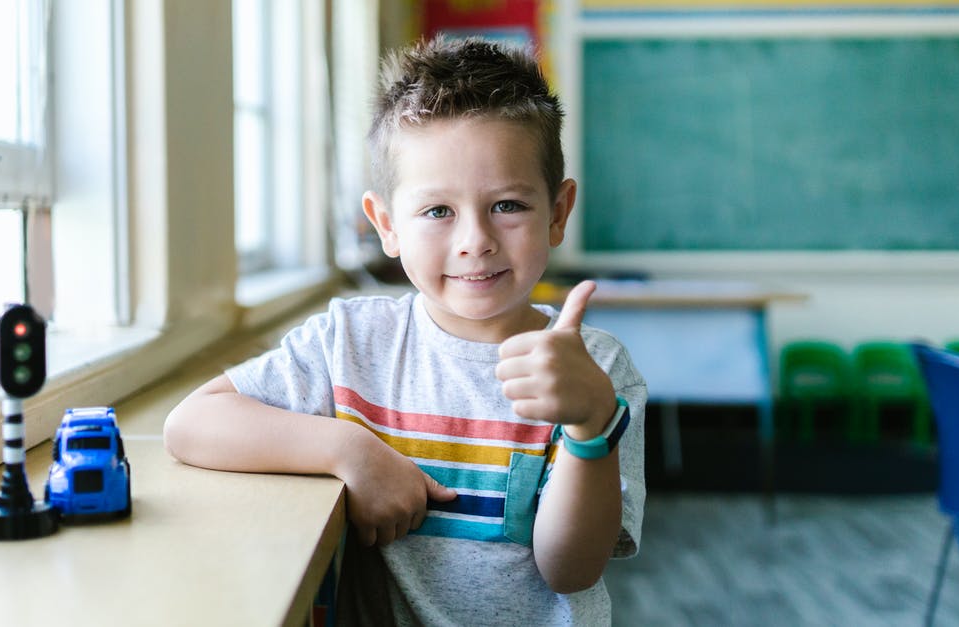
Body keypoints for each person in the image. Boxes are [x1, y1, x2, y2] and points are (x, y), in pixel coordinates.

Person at [163, 35, 647, 626]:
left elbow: (570, 569)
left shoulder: (596, 370)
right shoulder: (351, 341)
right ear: (387, 226)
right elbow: (191, 424)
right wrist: (350, 450)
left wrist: (590, 426)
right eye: (438, 212)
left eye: (507, 205)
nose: (475, 239)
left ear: (557, 212)